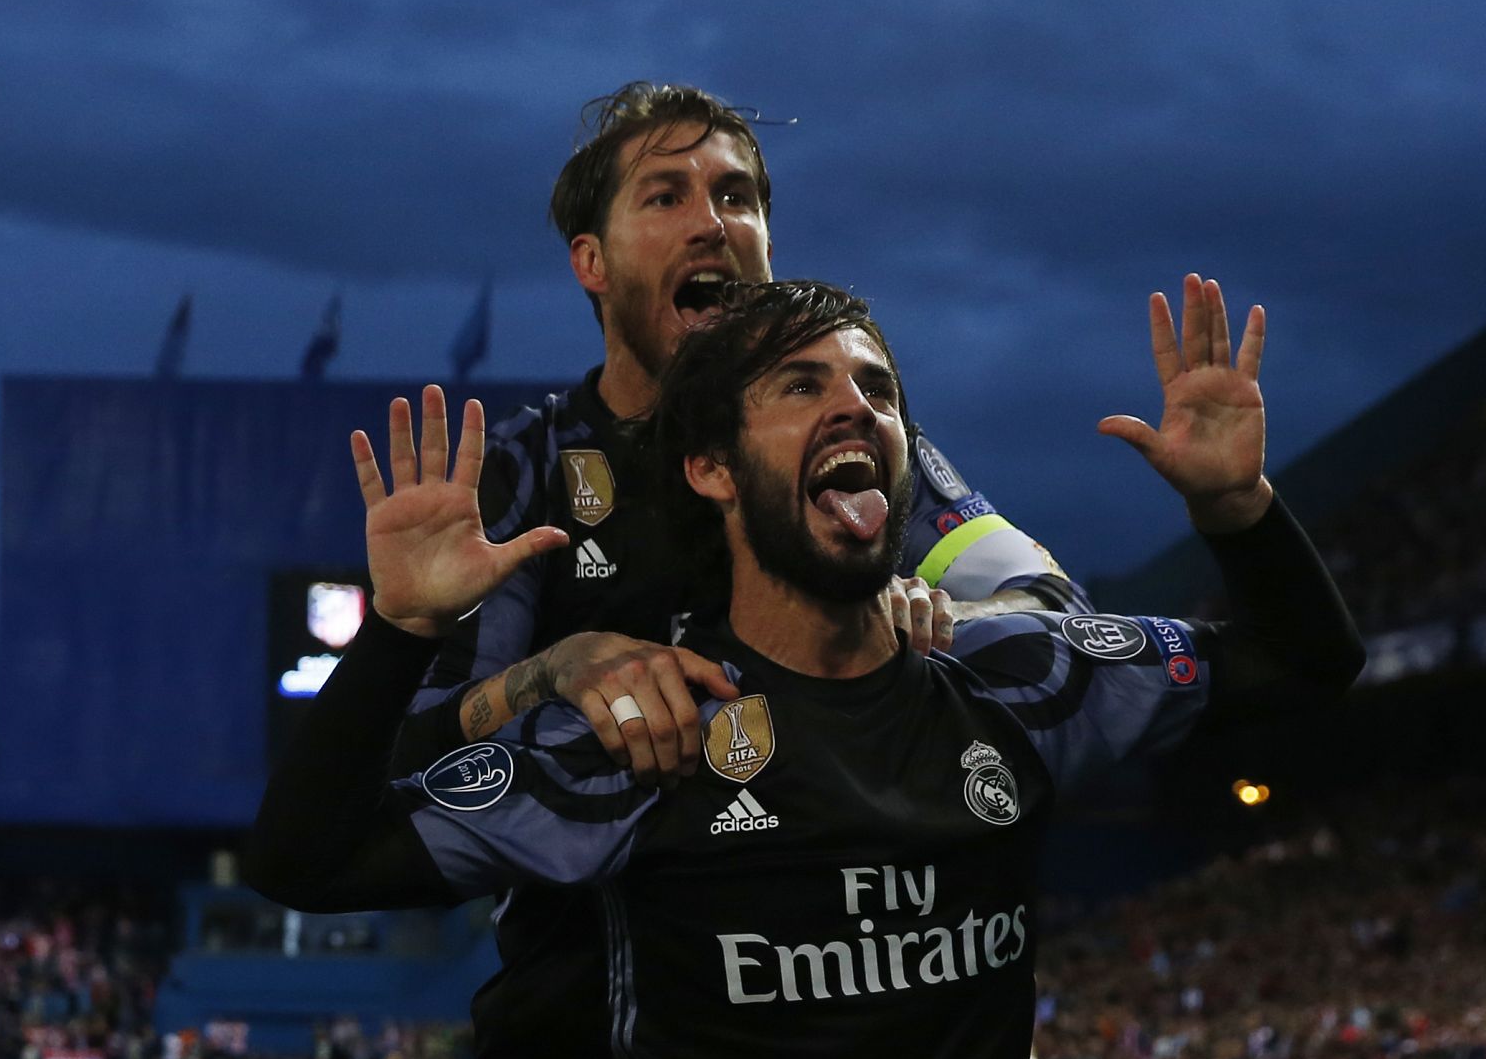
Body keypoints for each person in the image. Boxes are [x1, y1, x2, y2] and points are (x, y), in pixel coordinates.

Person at [247, 275, 1365, 1059]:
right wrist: (396, 626)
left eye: (877, 389)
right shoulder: (648, 733)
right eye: (798, 385)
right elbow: (308, 857)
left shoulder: (1016, 675)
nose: (854, 405)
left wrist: (1236, 509)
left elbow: (1307, 663)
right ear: (709, 468)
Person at [391, 81, 1087, 788]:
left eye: (735, 197)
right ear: (591, 262)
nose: (713, 225)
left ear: (769, 246)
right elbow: (413, 740)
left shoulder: (849, 443)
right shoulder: (526, 466)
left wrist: (950, 613)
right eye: (667, 197)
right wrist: (552, 670)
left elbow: (1053, 603)